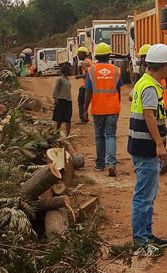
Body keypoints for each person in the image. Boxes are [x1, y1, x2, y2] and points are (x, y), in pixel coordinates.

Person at [128, 43, 167, 250]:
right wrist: (159, 144)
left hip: (141, 145)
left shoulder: (144, 82)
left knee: (148, 194)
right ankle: (141, 240)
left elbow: (131, 96)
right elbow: (149, 115)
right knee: (144, 196)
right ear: (163, 66)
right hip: (145, 147)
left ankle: (146, 234)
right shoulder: (149, 86)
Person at [83, 42, 124, 177]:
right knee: (110, 136)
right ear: (108, 55)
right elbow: (118, 90)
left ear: (96, 56)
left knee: (99, 136)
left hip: (98, 109)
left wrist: (85, 109)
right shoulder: (116, 70)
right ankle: (111, 164)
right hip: (112, 108)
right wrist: (117, 105)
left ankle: (100, 164)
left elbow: (88, 91)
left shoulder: (91, 71)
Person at [52, 63, 73, 136]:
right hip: (61, 100)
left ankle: (68, 134)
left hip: (68, 100)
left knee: (68, 118)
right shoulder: (60, 79)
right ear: (66, 71)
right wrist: (55, 98)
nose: (71, 71)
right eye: (69, 70)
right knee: (59, 118)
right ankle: (57, 132)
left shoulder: (68, 80)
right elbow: (56, 89)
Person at [75, 46, 91, 124]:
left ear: (84, 54)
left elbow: (89, 74)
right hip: (89, 85)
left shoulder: (85, 63)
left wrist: (79, 76)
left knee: (81, 102)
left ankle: (83, 118)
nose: (78, 56)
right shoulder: (90, 61)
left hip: (85, 86)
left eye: (79, 54)